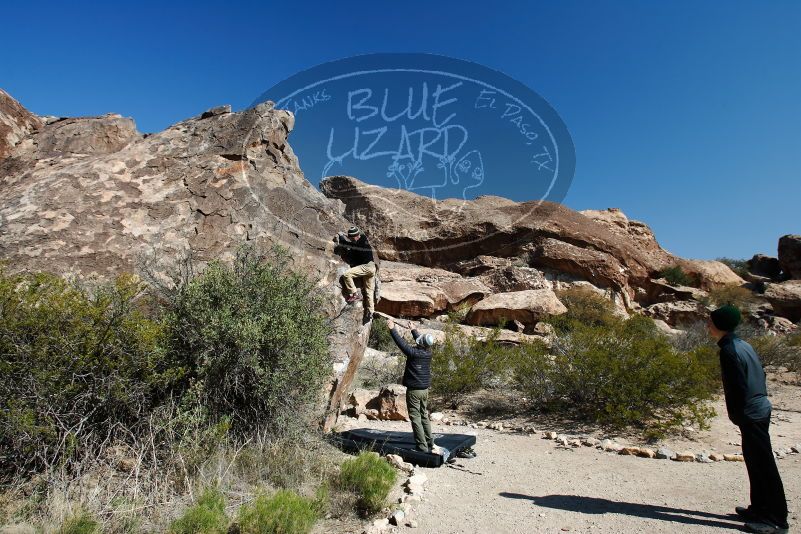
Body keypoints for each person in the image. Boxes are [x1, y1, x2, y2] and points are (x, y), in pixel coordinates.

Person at [707, 304, 788, 534]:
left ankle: (776, 520)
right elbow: (760, 374)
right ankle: (759, 508)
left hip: (752, 413)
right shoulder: (742, 344)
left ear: (720, 325)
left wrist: (739, 413)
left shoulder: (729, 350)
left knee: (764, 465)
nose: (708, 325)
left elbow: (738, 387)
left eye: (711, 321)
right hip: (758, 409)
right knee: (754, 461)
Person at [386, 318, 436, 453]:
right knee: (423, 415)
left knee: (415, 418)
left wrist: (392, 329)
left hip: (414, 391)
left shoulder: (413, 353)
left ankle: (422, 447)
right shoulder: (427, 352)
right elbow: (420, 340)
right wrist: (413, 329)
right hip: (424, 390)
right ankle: (430, 443)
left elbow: (401, 344)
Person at [333, 226, 378, 321]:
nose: (351, 239)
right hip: (372, 267)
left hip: (366, 267)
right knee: (369, 291)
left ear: (354, 237)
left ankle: (354, 294)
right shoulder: (363, 239)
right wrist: (345, 235)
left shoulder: (357, 245)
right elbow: (353, 240)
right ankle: (371, 312)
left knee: (347, 275)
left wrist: (341, 236)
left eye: (351, 238)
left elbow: (345, 244)